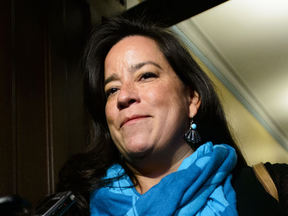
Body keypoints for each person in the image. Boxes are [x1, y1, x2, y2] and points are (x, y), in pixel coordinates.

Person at [57, 17, 288, 216]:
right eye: (112, 90)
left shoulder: (270, 187)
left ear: (191, 99)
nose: (123, 96)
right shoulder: (75, 207)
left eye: (145, 75)